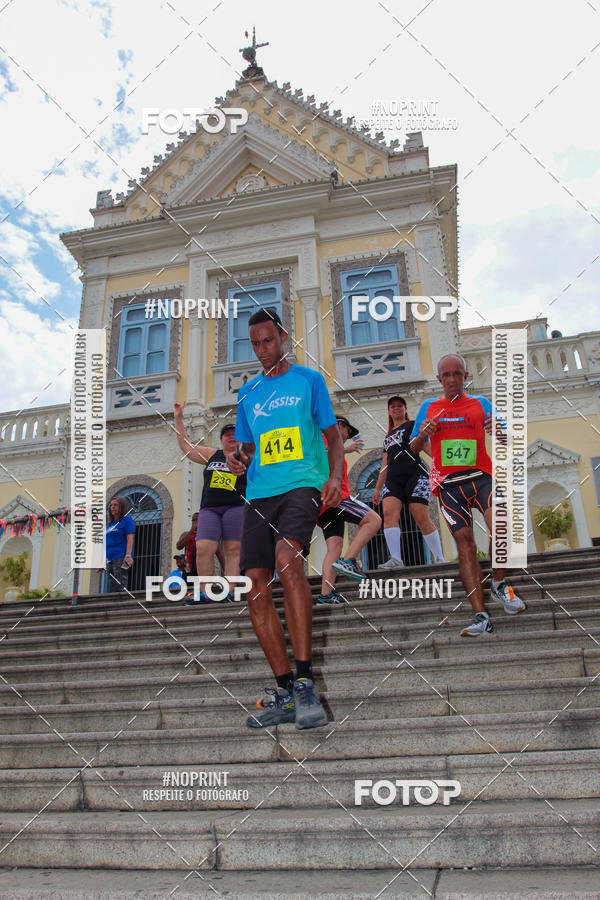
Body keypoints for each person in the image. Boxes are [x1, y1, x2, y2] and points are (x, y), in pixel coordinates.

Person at [225, 307, 343, 730]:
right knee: (254, 586)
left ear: (284, 337)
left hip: (302, 484)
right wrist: (238, 460)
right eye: (255, 344)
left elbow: (332, 437)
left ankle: (307, 680)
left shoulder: (309, 381)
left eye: (268, 341)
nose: (262, 350)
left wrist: (334, 476)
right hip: (259, 493)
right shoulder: (248, 393)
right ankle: (286, 690)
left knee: (287, 560)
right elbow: (246, 449)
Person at [409, 354, 526, 637]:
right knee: (465, 543)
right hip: (449, 487)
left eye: (457, 374)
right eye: (446, 375)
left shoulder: (481, 404)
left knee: (501, 524)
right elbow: (413, 448)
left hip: (481, 479)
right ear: (438, 378)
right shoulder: (429, 406)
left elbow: (508, 437)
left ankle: (499, 585)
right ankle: (480, 615)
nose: (451, 380)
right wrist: (423, 434)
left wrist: (498, 431)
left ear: (465, 376)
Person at [173, 407, 246, 601]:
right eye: (227, 434)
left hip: (236, 506)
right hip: (210, 509)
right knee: (204, 547)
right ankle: (206, 592)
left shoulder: (247, 455)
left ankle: (229, 591)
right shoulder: (212, 454)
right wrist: (178, 419)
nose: (231, 437)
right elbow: (186, 447)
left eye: (235, 434)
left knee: (233, 550)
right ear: (221, 440)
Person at [373, 396, 445, 568]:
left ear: (405, 409)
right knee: (389, 514)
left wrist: (441, 467)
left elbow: (424, 446)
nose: (396, 408)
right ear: (389, 411)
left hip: (415, 475)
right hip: (393, 480)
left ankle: (440, 558)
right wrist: (377, 489)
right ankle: (396, 559)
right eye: (392, 406)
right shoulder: (388, 436)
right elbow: (385, 464)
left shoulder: (413, 425)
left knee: (420, 516)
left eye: (400, 406)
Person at [317, 415, 382, 602]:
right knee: (373, 520)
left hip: (326, 505)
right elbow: (322, 455)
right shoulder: (325, 439)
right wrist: (346, 449)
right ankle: (349, 560)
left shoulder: (333, 444)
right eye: (348, 431)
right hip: (337, 498)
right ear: (339, 426)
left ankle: (325, 595)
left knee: (334, 548)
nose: (348, 436)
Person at [104, 497, 135, 593]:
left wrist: (128, 555)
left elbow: (130, 537)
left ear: (121, 507)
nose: (112, 507)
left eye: (115, 505)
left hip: (121, 556)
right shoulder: (110, 525)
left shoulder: (127, 519)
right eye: (111, 505)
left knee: (120, 584)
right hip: (110, 559)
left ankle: (121, 604)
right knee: (113, 585)